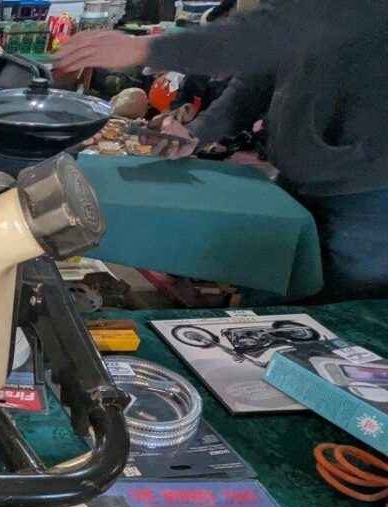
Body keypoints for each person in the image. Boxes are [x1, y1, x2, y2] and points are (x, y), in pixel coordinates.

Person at [54, 2, 388, 299]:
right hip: (300, 174)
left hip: (368, 189)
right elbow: (258, 77)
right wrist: (198, 133)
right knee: (275, 297)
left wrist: (145, 48)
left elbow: (264, 34)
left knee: (352, 317)